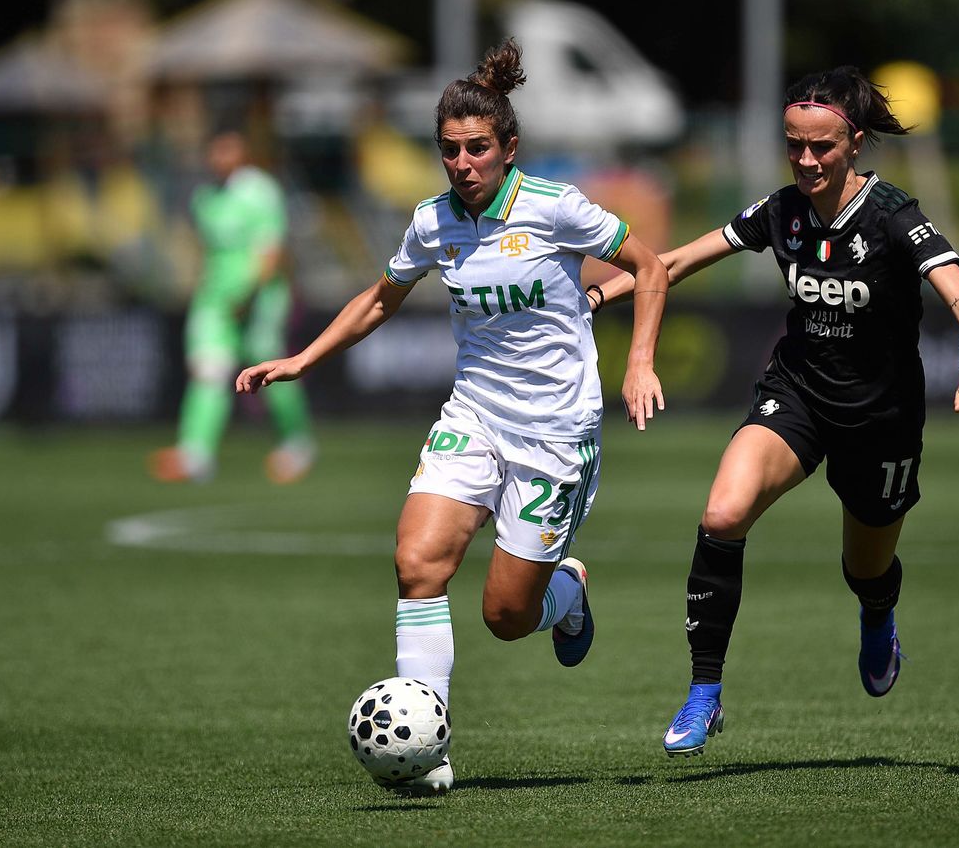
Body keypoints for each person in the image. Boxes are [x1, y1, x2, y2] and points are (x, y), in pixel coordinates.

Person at [236, 40, 669, 792]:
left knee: (505, 615)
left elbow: (650, 268)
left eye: (476, 149)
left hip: (555, 434)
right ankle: (424, 744)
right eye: (449, 151)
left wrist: (637, 364)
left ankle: (566, 592)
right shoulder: (432, 223)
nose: (462, 163)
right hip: (474, 416)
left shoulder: (555, 207)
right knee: (416, 564)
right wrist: (303, 358)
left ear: (507, 149)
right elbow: (380, 297)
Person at [589, 65, 959, 757]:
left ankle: (877, 615)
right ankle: (704, 691)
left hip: (881, 416)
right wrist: (601, 296)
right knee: (721, 514)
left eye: (822, 148)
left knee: (865, 568)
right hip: (798, 394)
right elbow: (681, 259)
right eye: (794, 146)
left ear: (855, 143)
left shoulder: (895, 216)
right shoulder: (779, 210)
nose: (806, 161)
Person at [149, 130, 315, 484]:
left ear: (242, 151)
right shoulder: (204, 197)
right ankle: (196, 455)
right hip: (217, 298)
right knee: (208, 370)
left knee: (271, 371)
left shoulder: (261, 192)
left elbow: (271, 252)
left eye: (228, 148)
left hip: (259, 298)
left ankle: (296, 444)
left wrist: (248, 296)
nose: (221, 157)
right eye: (215, 150)